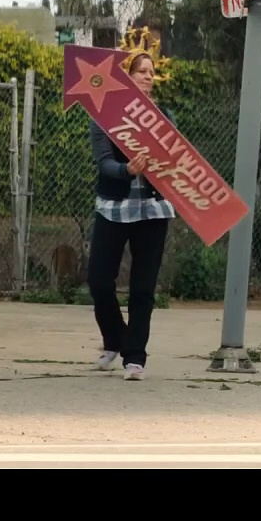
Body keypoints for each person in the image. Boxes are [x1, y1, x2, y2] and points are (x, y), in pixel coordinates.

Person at [87, 51, 175, 381]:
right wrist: (127, 169)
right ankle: (116, 339)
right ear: (126, 77)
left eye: (152, 71)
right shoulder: (104, 116)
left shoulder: (164, 116)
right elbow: (104, 163)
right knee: (98, 280)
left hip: (153, 210)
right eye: (142, 71)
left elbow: (174, 157)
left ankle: (135, 357)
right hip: (114, 208)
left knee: (142, 287)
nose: (149, 76)